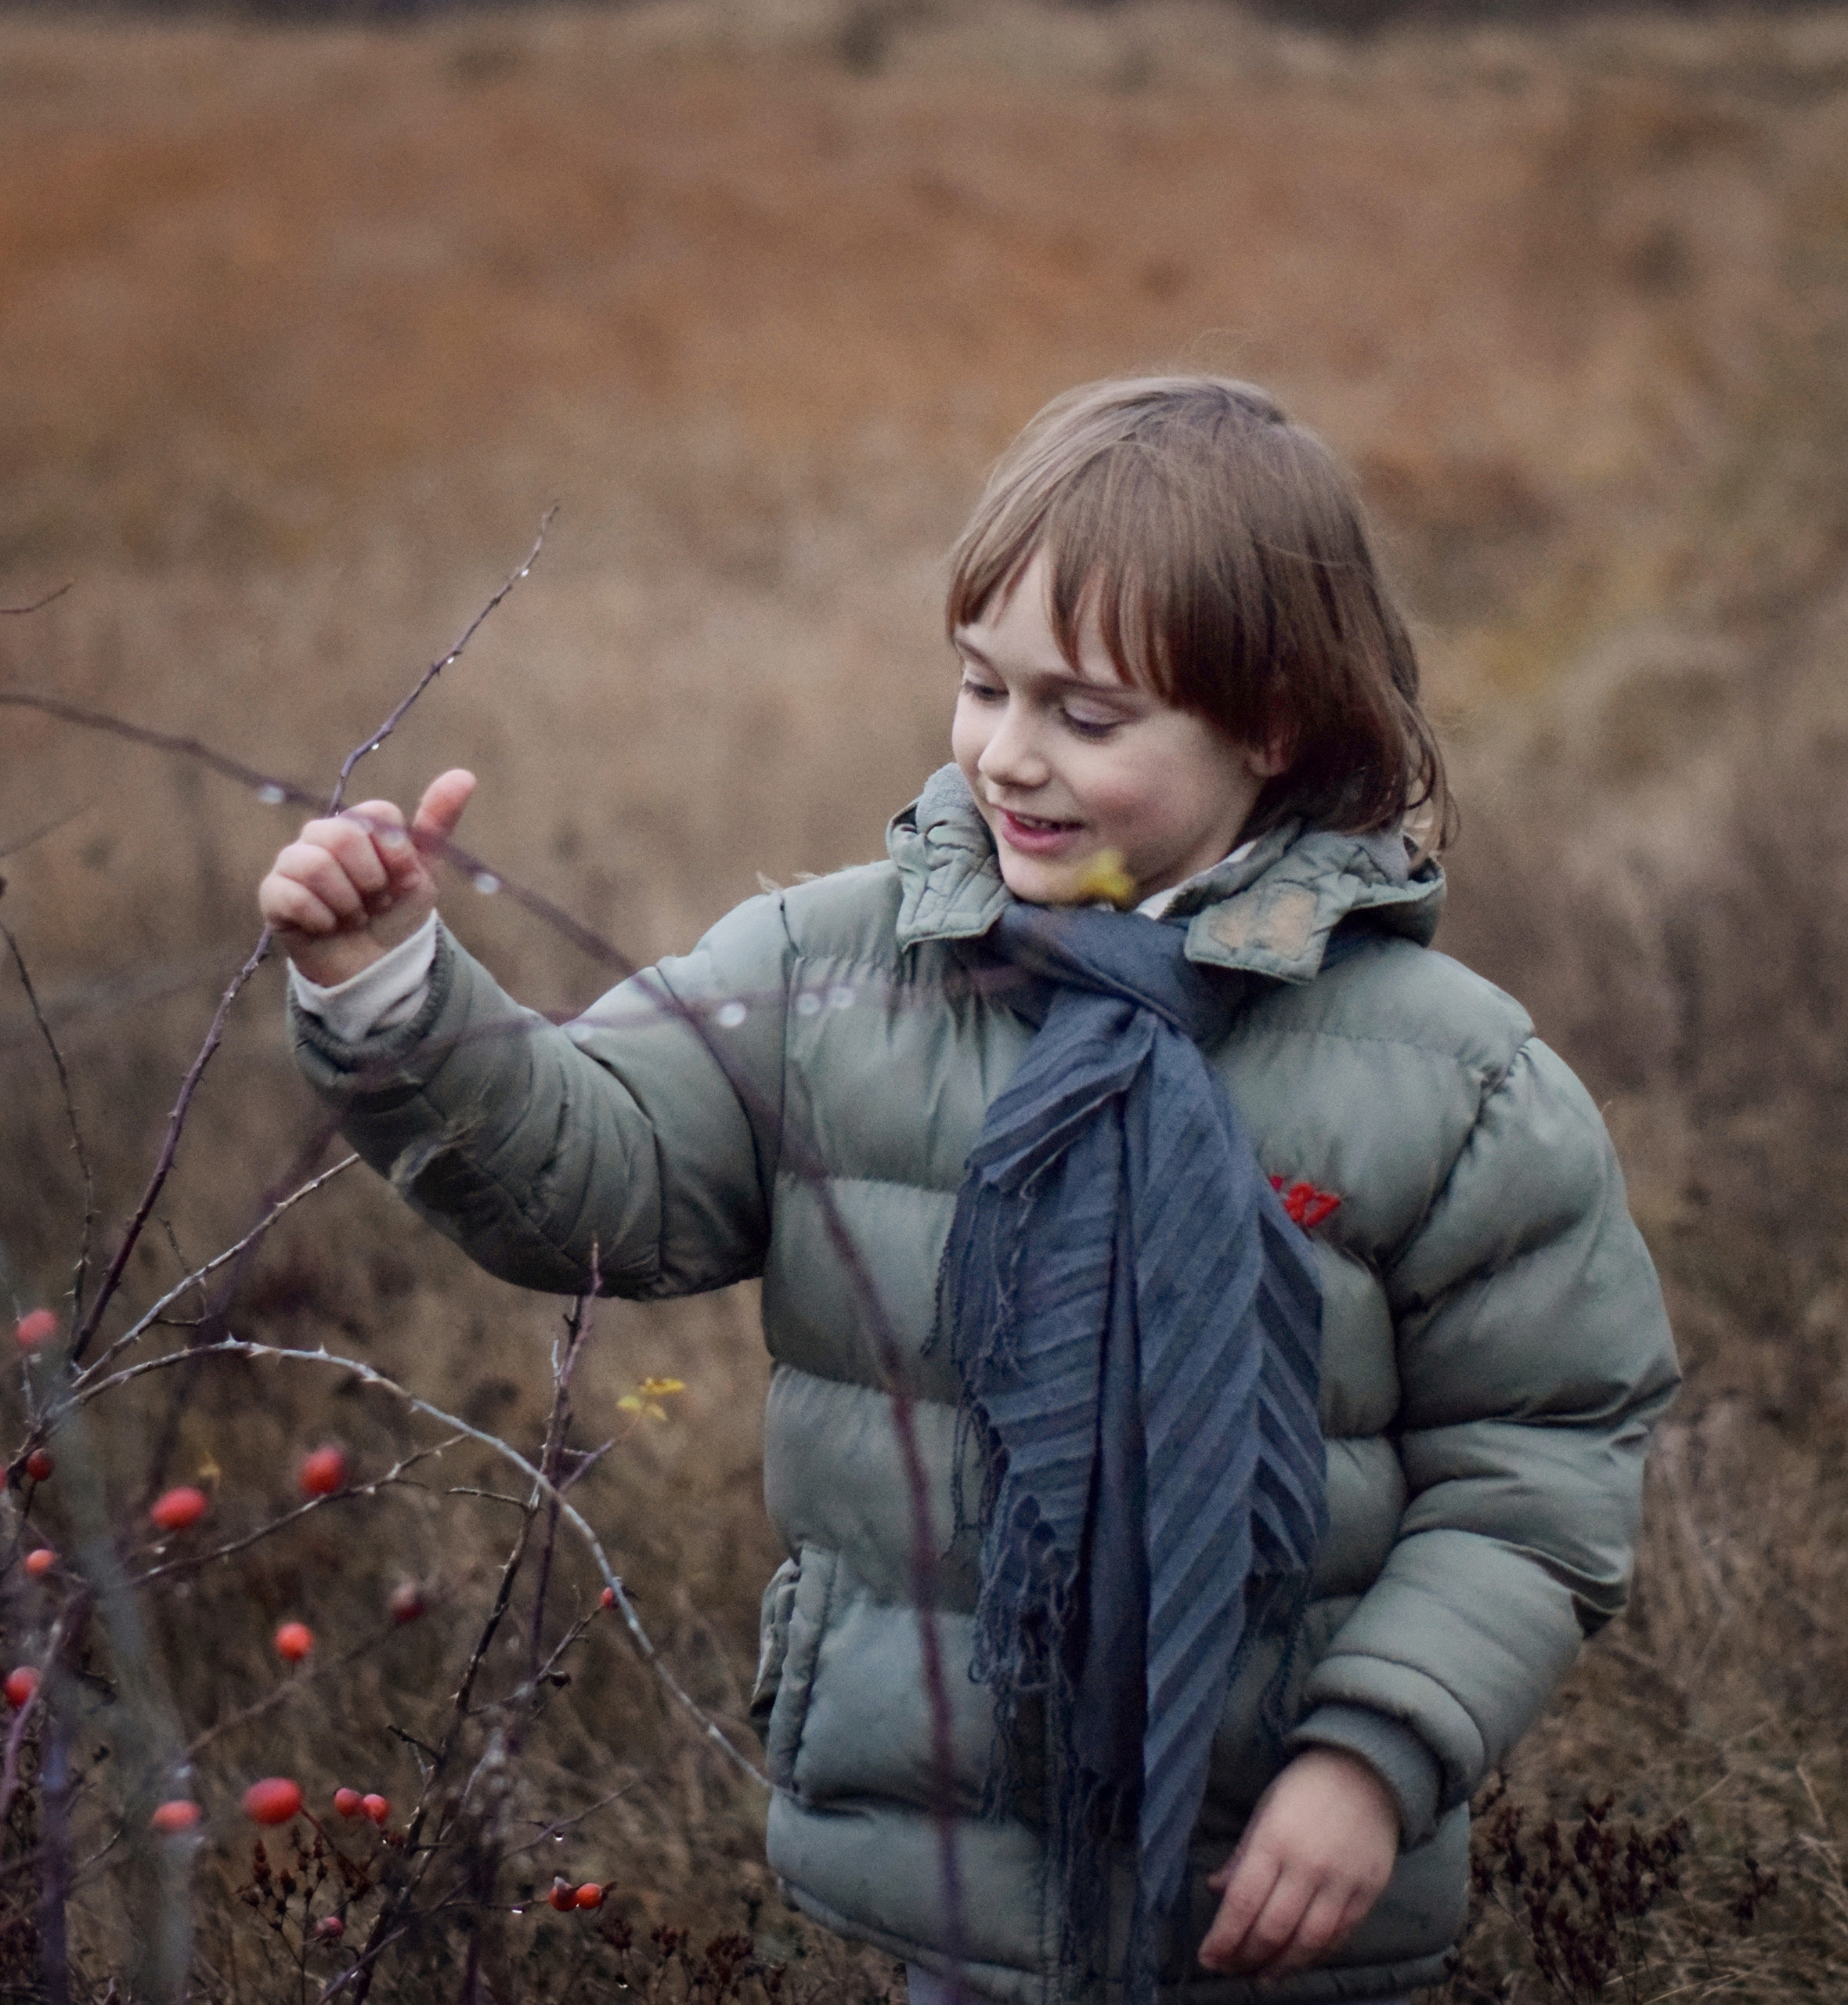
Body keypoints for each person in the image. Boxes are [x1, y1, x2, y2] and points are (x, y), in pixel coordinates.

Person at [258, 377, 1679, 2005]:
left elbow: (1542, 1455)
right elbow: (596, 1178)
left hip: (1286, 1886)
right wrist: (395, 995)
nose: (1007, 755)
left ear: (1269, 721)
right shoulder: (832, 976)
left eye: (1084, 714)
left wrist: (1373, 1754)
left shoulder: (1450, 1075)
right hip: (947, 1867)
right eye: (981, 683)